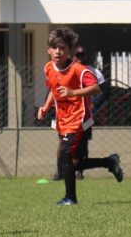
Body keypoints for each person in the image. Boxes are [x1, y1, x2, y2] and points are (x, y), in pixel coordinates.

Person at [37, 27, 124, 205]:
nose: (58, 52)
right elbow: (54, 90)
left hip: (79, 118)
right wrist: (45, 107)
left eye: (62, 48)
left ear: (69, 50)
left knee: (64, 157)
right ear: (48, 49)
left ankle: (71, 198)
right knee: (72, 162)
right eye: (55, 47)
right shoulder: (48, 68)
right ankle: (109, 162)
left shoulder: (78, 69)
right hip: (62, 119)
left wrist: (72, 93)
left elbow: (96, 88)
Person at [73, 45, 108, 180]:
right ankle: (61, 172)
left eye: (82, 55)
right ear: (73, 56)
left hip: (86, 115)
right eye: (77, 55)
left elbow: (106, 90)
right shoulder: (67, 71)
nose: (80, 58)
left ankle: (80, 171)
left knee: (83, 142)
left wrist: (94, 104)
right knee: (65, 143)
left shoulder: (94, 72)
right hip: (70, 115)